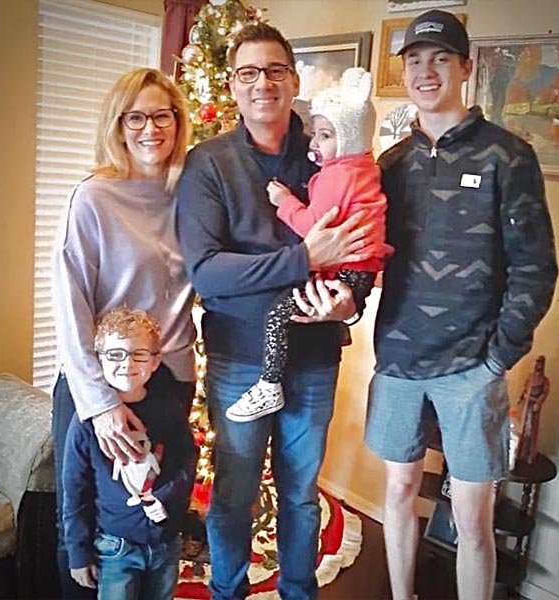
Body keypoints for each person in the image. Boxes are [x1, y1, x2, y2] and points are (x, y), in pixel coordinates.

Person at [176, 22, 381, 600]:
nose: (261, 83)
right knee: (234, 493)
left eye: (274, 70)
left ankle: (298, 591)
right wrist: (303, 258)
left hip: (314, 356)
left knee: (300, 494)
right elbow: (206, 271)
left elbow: (364, 237)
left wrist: (351, 301)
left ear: (293, 80)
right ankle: (228, 592)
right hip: (239, 358)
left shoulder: (328, 151)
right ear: (232, 85)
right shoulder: (208, 163)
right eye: (248, 72)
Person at [364, 10, 558, 600]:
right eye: (415, 60)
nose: (426, 72)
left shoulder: (508, 156)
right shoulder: (391, 164)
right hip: (398, 361)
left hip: (473, 369)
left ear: (466, 68)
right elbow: (366, 257)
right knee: (399, 493)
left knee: (472, 519)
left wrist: (498, 357)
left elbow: (535, 268)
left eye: (441, 59)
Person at [52, 67, 196, 599]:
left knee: (152, 516)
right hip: (101, 384)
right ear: (117, 126)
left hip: (169, 378)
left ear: (178, 121)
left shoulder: (191, 194)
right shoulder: (94, 197)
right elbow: (70, 305)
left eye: (162, 115)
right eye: (135, 118)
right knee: (85, 525)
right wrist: (99, 402)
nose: (150, 129)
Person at [226, 67, 391, 422]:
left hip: (346, 273)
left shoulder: (338, 175)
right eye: (316, 133)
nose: (314, 142)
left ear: (348, 138)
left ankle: (269, 385)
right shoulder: (363, 168)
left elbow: (314, 228)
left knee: (278, 315)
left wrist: (284, 201)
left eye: (326, 135)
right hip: (358, 272)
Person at [63, 307, 197, 599]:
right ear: (99, 359)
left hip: (165, 543)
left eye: (139, 354)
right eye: (115, 354)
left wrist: (165, 498)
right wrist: (78, 553)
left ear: (155, 361)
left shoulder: (169, 408)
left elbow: (187, 460)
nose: (127, 363)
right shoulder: (86, 422)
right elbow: (74, 489)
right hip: (115, 546)